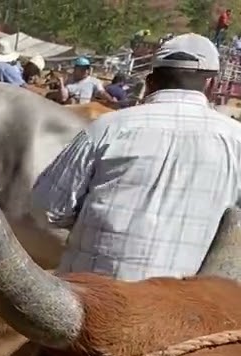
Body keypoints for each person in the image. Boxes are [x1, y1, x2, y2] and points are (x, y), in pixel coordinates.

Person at [31, 33, 241, 280]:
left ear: (150, 82)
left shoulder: (108, 128)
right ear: (211, 85)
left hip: (91, 293)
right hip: (185, 299)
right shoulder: (236, 139)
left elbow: (47, 208)